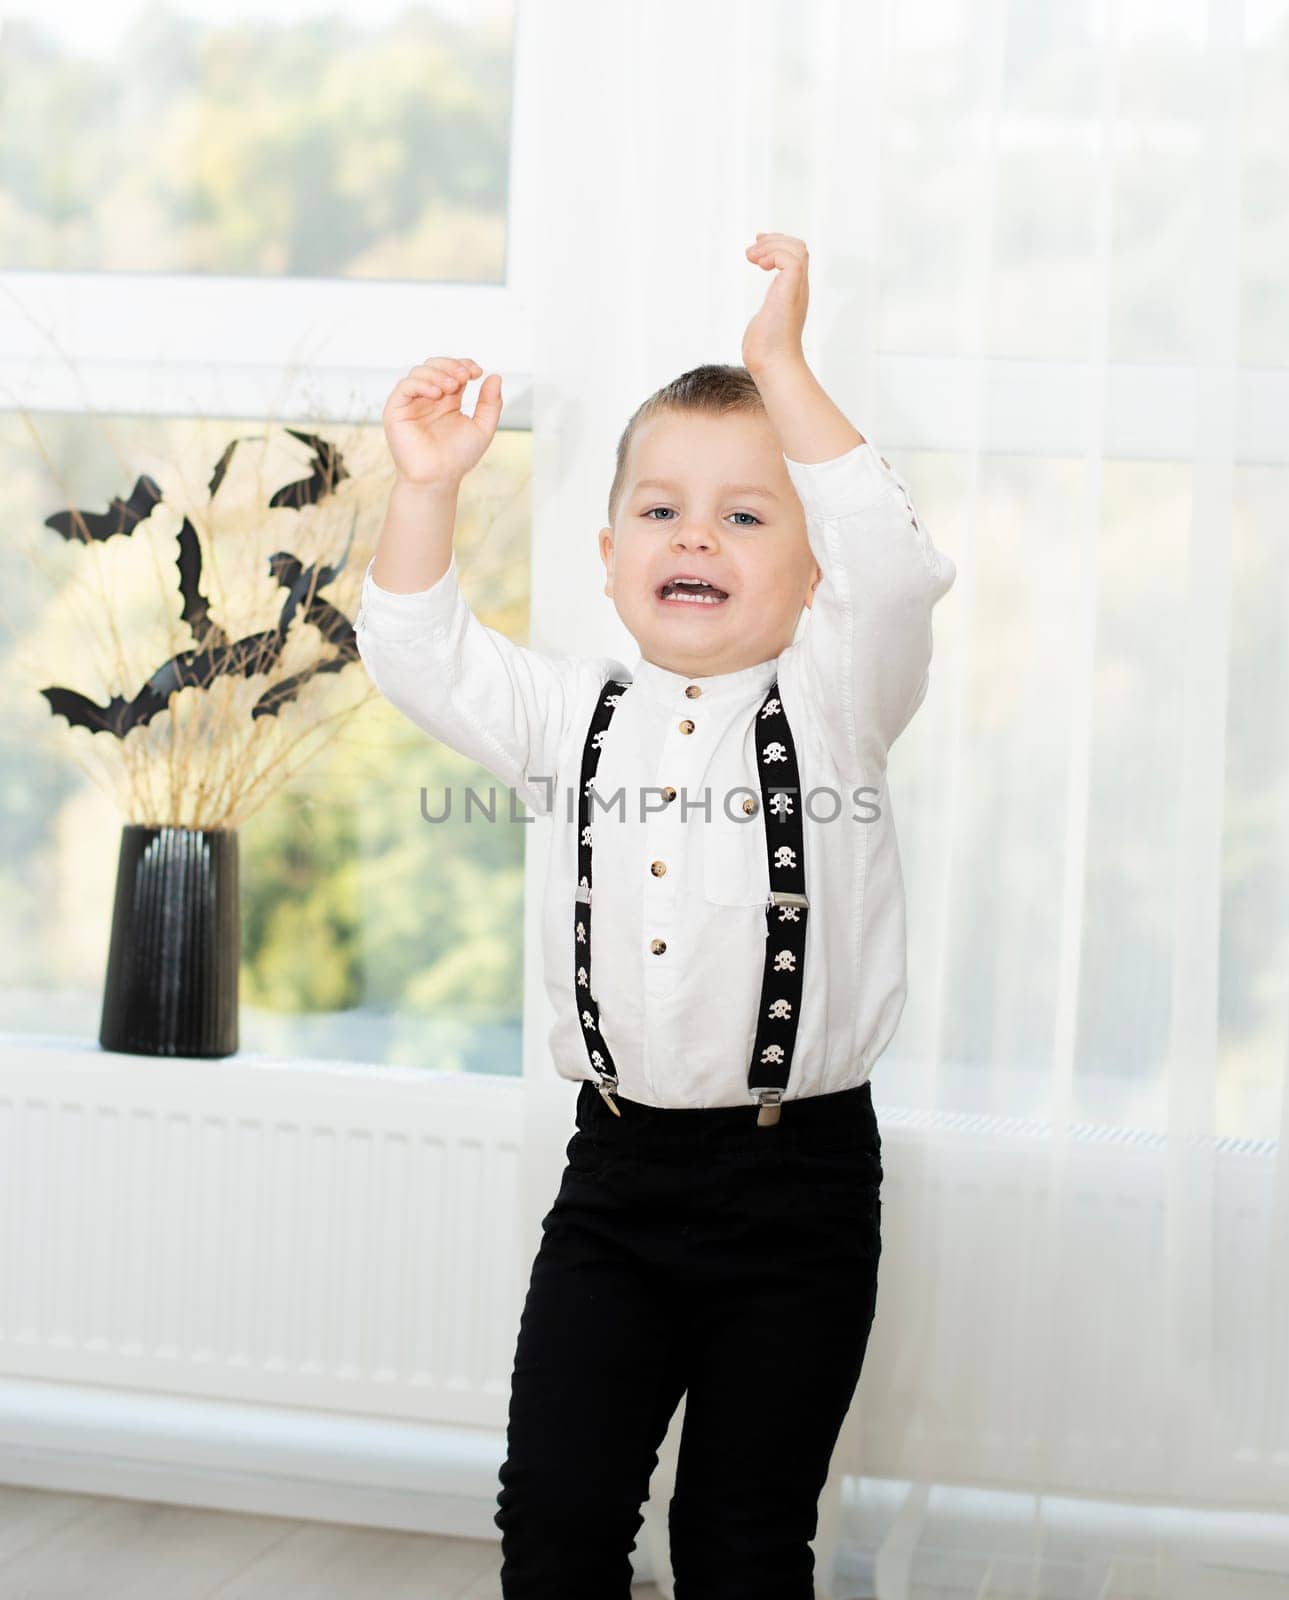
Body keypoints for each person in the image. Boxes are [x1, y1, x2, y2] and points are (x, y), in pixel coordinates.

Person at [354, 232, 957, 1599]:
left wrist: (778, 369)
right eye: (662, 512)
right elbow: (412, 646)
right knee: (557, 1517)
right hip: (614, 1191)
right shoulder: (567, 714)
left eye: (748, 517)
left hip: (796, 1191)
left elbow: (900, 571)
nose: (696, 536)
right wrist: (426, 490)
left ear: (811, 580)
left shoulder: (839, 705)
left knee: (740, 1537)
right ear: (612, 553)